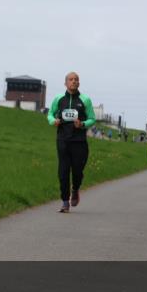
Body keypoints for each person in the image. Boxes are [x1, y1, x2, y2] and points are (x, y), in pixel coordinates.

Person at [47, 72, 96, 213]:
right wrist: (53, 121)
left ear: (79, 83)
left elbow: (92, 119)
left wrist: (82, 124)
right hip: (63, 140)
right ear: (65, 83)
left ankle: (75, 189)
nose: (74, 82)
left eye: (76, 80)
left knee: (77, 171)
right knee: (63, 172)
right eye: (71, 79)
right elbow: (50, 114)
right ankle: (64, 202)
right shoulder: (58, 99)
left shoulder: (85, 100)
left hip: (79, 141)